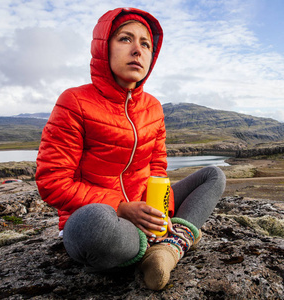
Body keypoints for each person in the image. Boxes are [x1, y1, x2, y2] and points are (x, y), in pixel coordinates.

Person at [35, 7, 226, 291]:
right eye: (125, 39)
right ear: (104, 48)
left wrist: (159, 214)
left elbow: (158, 169)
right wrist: (122, 208)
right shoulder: (74, 101)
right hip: (108, 221)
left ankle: (167, 247)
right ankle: (159, 247)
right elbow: (52, 182)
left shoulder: (153, 107)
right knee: (92, 226)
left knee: (213, 175)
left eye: (145, 44)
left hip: (144, 211)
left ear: (152, 56)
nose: (137, 50)